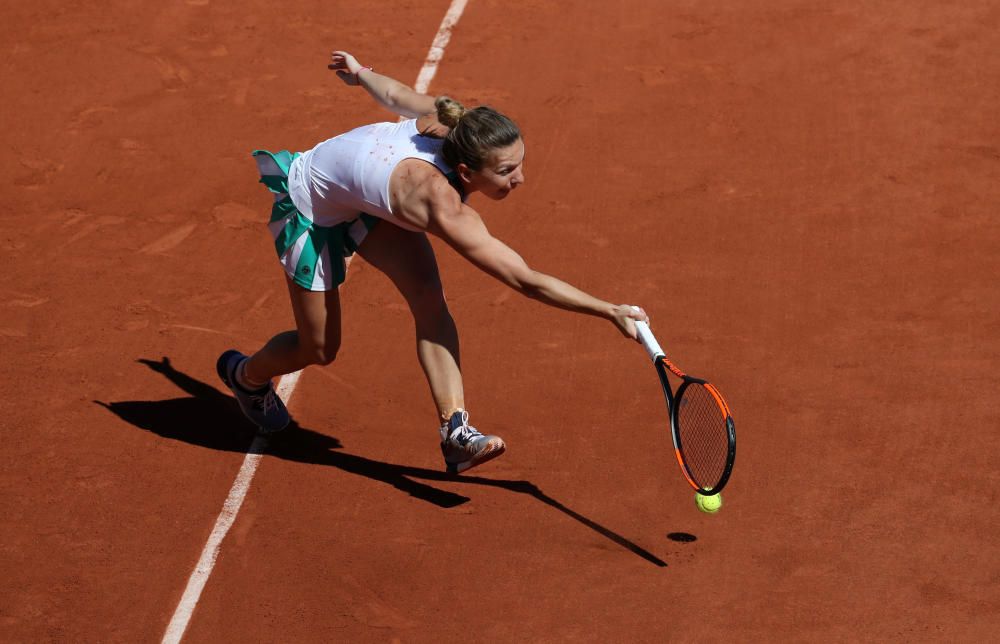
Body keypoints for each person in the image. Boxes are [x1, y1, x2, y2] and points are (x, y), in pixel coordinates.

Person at [217, 50, 648, 474]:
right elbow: (524, 279)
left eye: (520, 162)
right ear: (464, 172)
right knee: (319, 348)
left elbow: (397, 94)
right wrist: (607, 310)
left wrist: (360, 71)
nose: (520, 178)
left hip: (365, 196)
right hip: (311, 204)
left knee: (428, 298)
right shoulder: (439, 205)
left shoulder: (458, 123)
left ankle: (456, 433)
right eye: (505, 171)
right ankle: (246, 377)